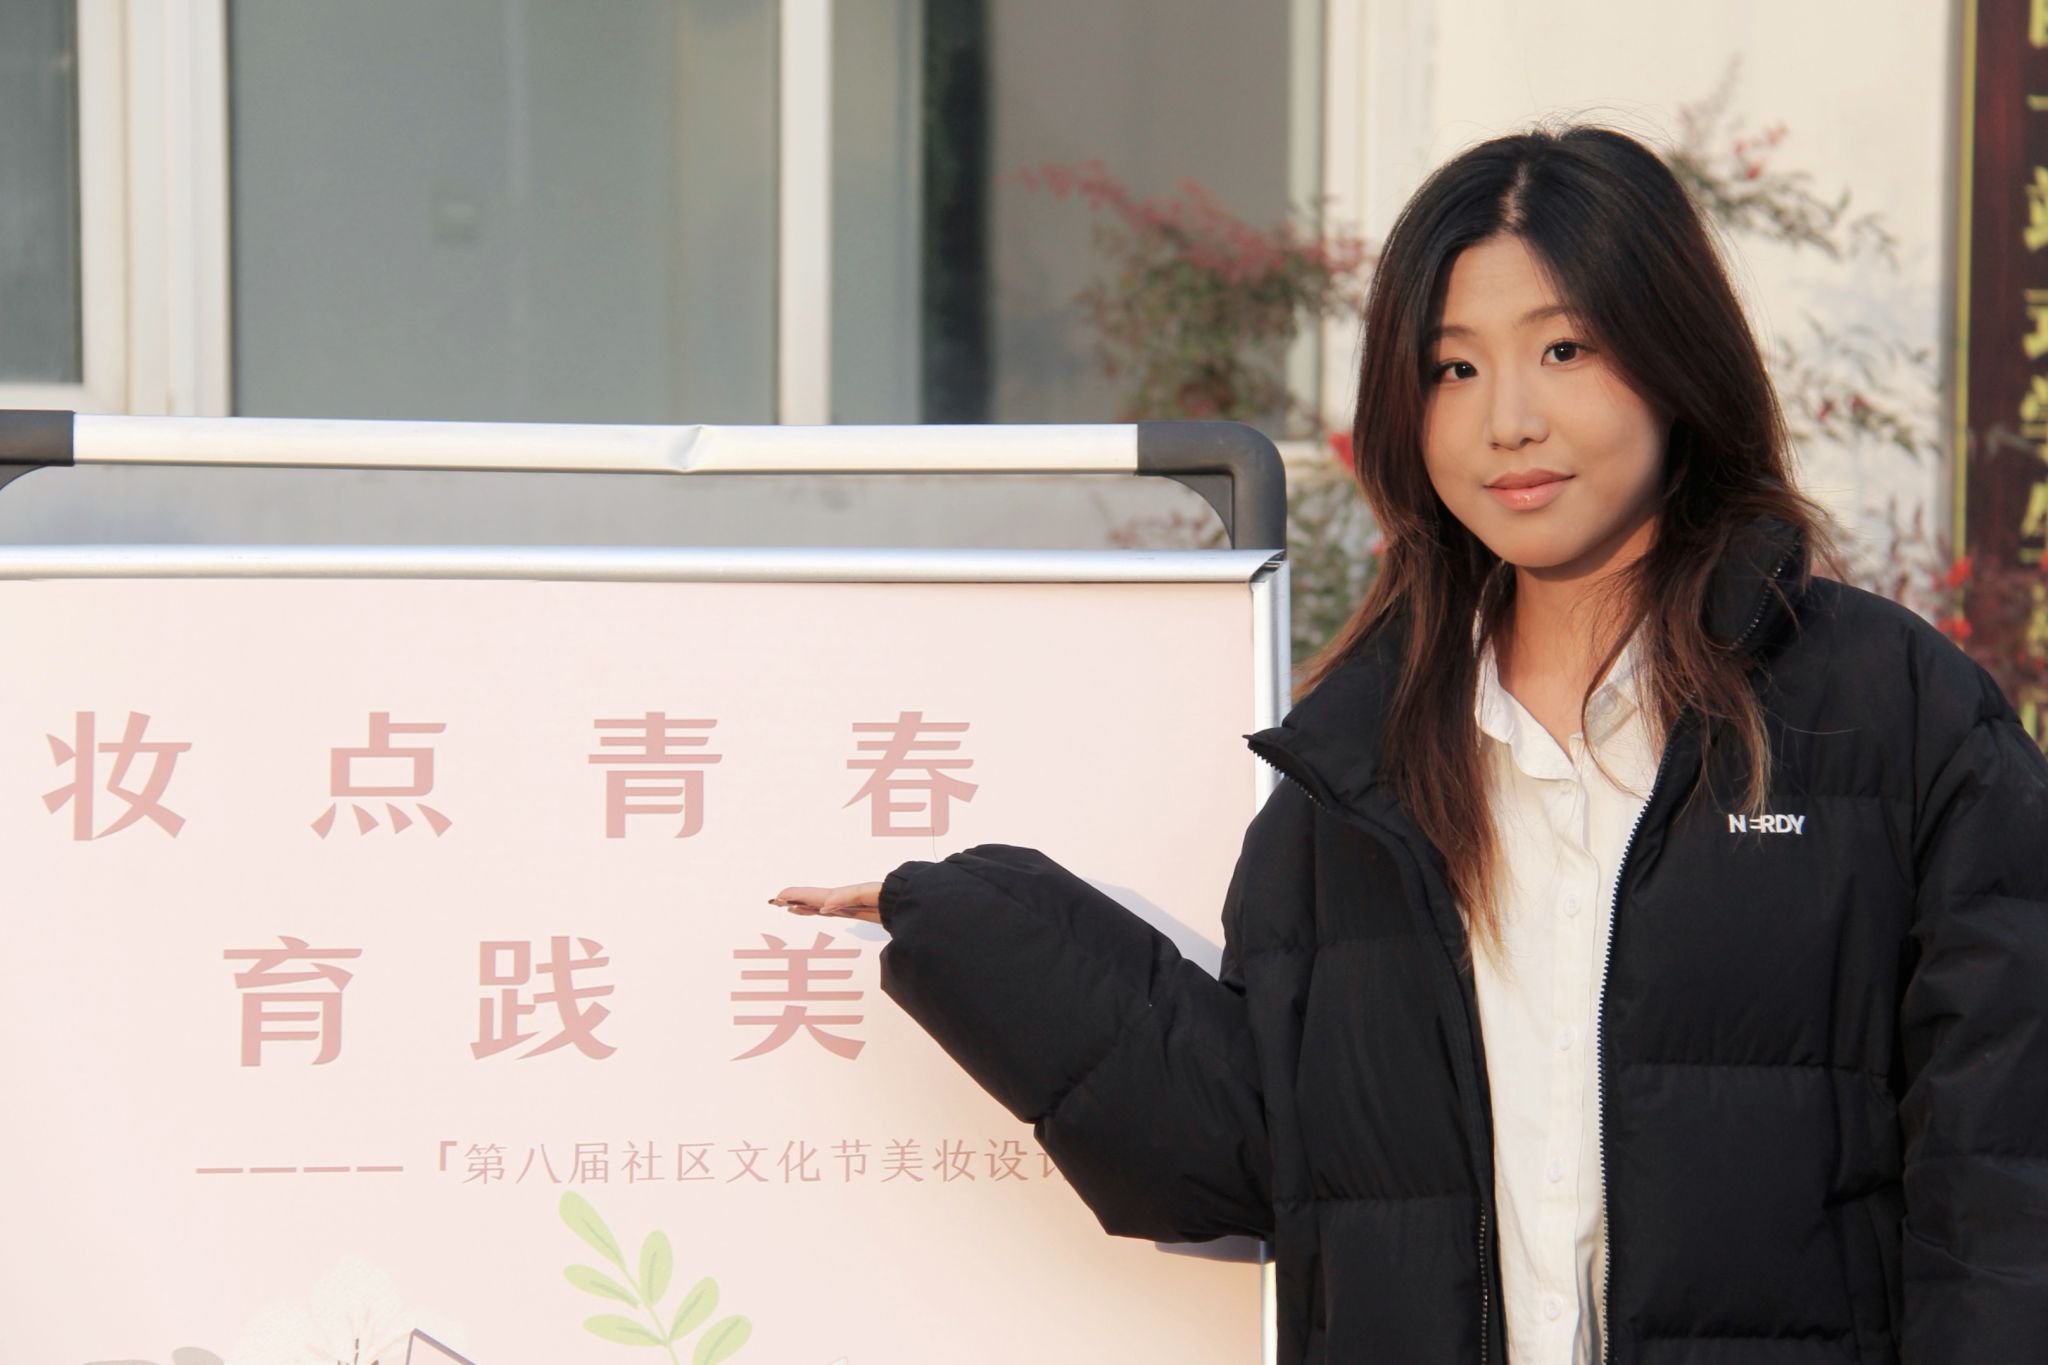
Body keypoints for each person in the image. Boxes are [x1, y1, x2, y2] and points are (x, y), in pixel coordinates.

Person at [770, 123, 2048, 1364]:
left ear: (1676, 360)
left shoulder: (1890, 716)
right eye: (1451, 369)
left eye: (1563, 349)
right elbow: (1257, 1156)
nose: (1507, 421)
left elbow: (2004, 1178)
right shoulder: (1355, 771)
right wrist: (981, 933)